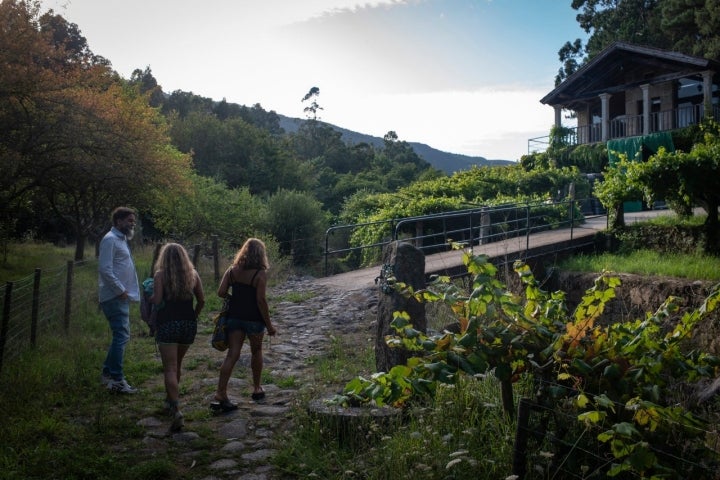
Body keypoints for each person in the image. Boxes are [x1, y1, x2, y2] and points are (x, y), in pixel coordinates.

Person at [214, 238, 277, 410]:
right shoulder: (260, 274)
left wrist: (234, 299)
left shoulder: (232, 270)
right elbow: (261, 301)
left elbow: (221, 292)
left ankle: (221, 391)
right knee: (256, 351)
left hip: (234, 317)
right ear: (260, 254)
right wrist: (269, 325)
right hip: (254, 320)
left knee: (232, 354)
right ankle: (257, 388)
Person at [149, 243, 205, 431]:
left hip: (168, 324)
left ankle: (176, 409)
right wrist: (193, 316)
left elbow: (157, 302)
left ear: (163, 257)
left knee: (170, 369)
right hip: (188, 325)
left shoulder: (160, 276)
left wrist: (149, 297)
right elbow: (202, 300)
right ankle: (170, 399)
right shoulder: (193, 275)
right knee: (177, 365)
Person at [98, 206, 141, 394]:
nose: (133, 224)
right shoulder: (110, 240)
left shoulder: (120, 239)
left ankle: (108, 374)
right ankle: (116, 379)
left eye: (133, 220)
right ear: (118, 221)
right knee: (122, 336)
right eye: (129, 220)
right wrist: (120, 290)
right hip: (114, 296)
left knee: (120, 335)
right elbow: (105, 269)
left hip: (120, 295)